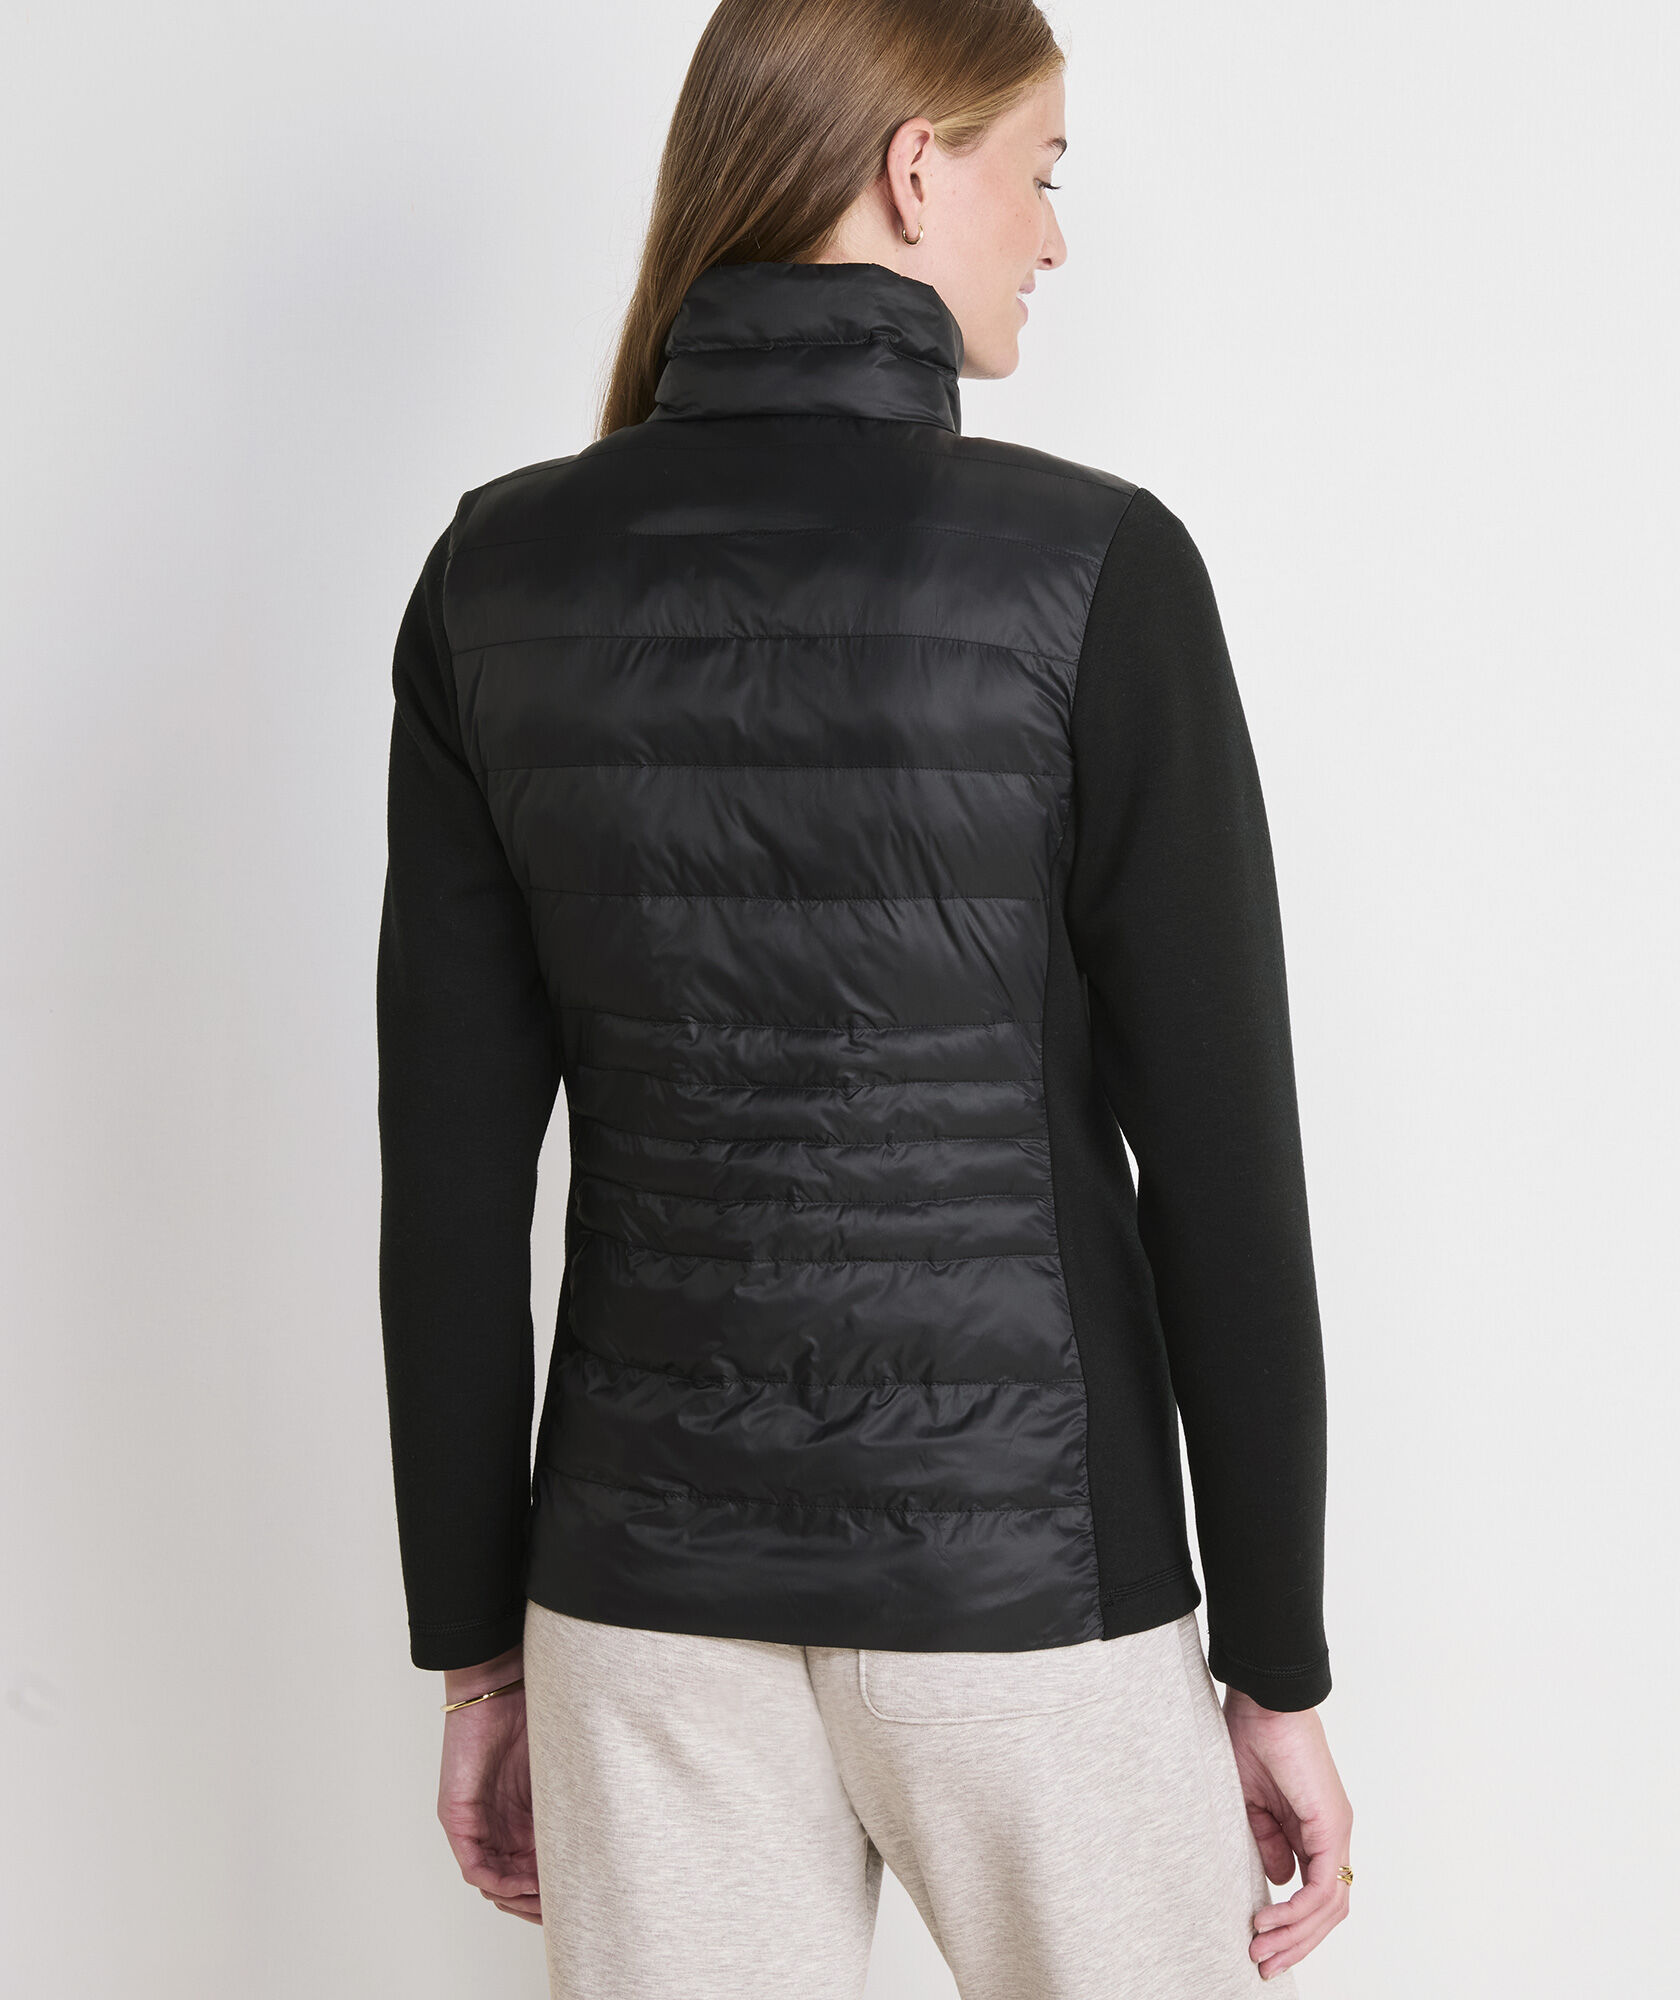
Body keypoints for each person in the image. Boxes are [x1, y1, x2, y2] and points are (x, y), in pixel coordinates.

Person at [376, 3, 1354, 1995]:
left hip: (640, 1608)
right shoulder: (1099, 571)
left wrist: (479, 1648)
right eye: (1040, 171)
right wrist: (1275, 1661)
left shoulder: (495, 577)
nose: (1054, 235)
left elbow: (450, 1189)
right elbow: (1226, 1165)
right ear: (918, 168)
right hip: (1032, 1588)